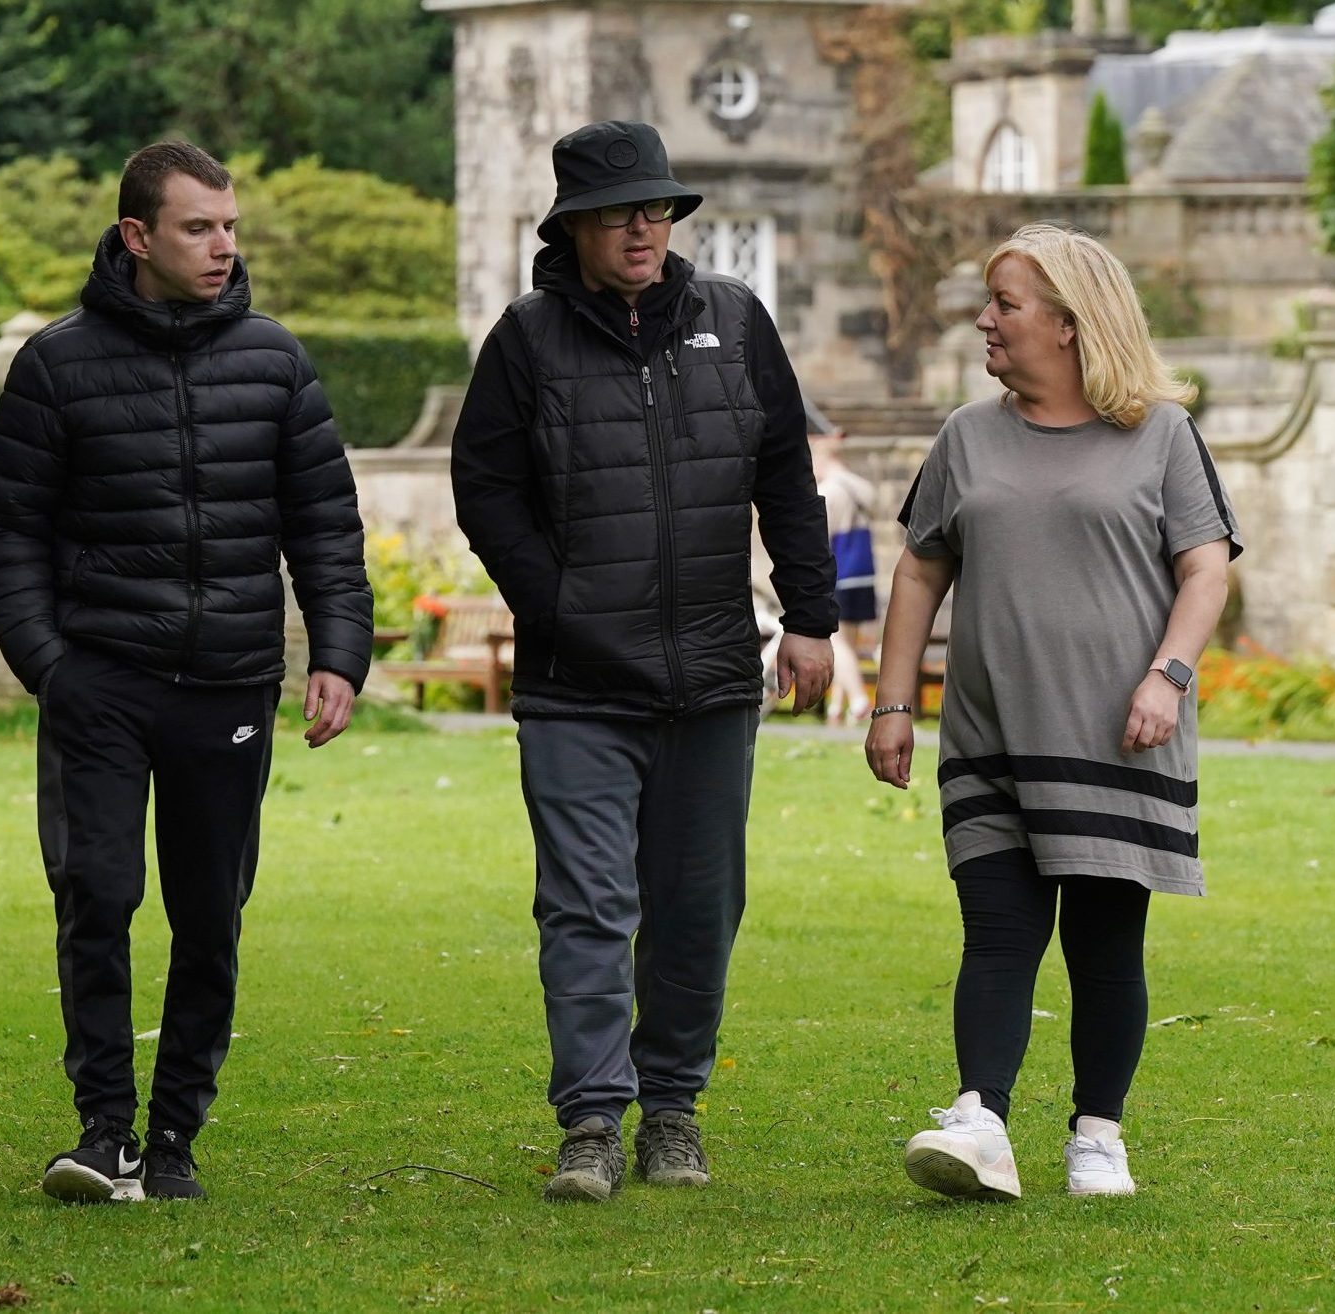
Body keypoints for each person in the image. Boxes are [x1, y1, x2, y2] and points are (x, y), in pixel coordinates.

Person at [0, 140, 374, 1205]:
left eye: (230, 226)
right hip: (100, 685)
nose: (222, 245)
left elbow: (326, 529)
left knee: (209, 916)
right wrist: (52, 669)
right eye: (198, 227)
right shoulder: (56, 366)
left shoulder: (277, 362)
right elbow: (6, 531)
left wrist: (338, 653)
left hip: (232, 687)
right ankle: (103, 1135)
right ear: (136, 236)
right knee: (96, 896)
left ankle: (177, 1137)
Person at [451, 120, 837, 1203]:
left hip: (713, 674)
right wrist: (558, 603)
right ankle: (589, 1121)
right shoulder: (525, 343)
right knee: (584, 906)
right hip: (577, 684)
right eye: (621, 212)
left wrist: (809, 615)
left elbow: (787, 477)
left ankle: (672, 1108)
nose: (642, 228)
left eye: (657, 208)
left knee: (697, 905)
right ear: (573, 225)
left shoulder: (736, 324)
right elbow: (484, 491)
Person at [864, 223, 1240, 1201]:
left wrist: (1168, 675)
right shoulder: (965, 438)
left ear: (1070, 325)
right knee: (994, 929)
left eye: (1005, 305)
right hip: (989, 734)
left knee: (1104, 944)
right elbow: (918, 571)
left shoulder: (1160, 434)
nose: (985, 321)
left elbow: (1205, 570)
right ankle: (980, 1120)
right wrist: (892, 703)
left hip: (1121, 736)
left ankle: (1096, 1137)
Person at [804, 401, 879, 726]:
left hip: (841, 573)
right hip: (864, 573)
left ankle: (860, 700)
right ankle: (838, 708)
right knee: (846, 642)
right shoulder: (858, 489)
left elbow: (821, 537)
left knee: (837, 642)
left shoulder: (830, 491)